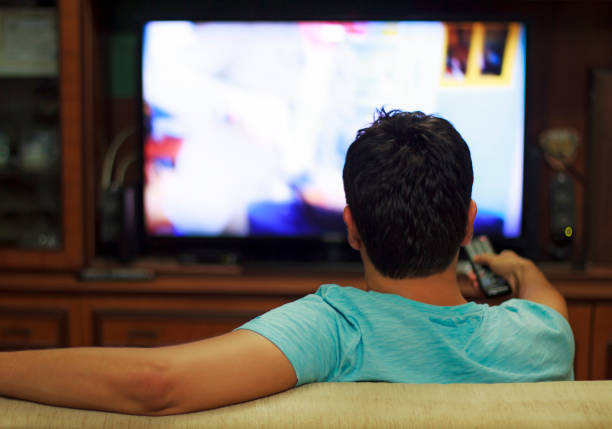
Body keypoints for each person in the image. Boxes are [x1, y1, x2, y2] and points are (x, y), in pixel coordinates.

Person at [0, 110, 573, 416]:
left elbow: (156, 383)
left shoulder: (336, 328)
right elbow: (546, 294)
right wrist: (512, 267)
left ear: (350, 227)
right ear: (468, 221)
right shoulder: (542, 335)